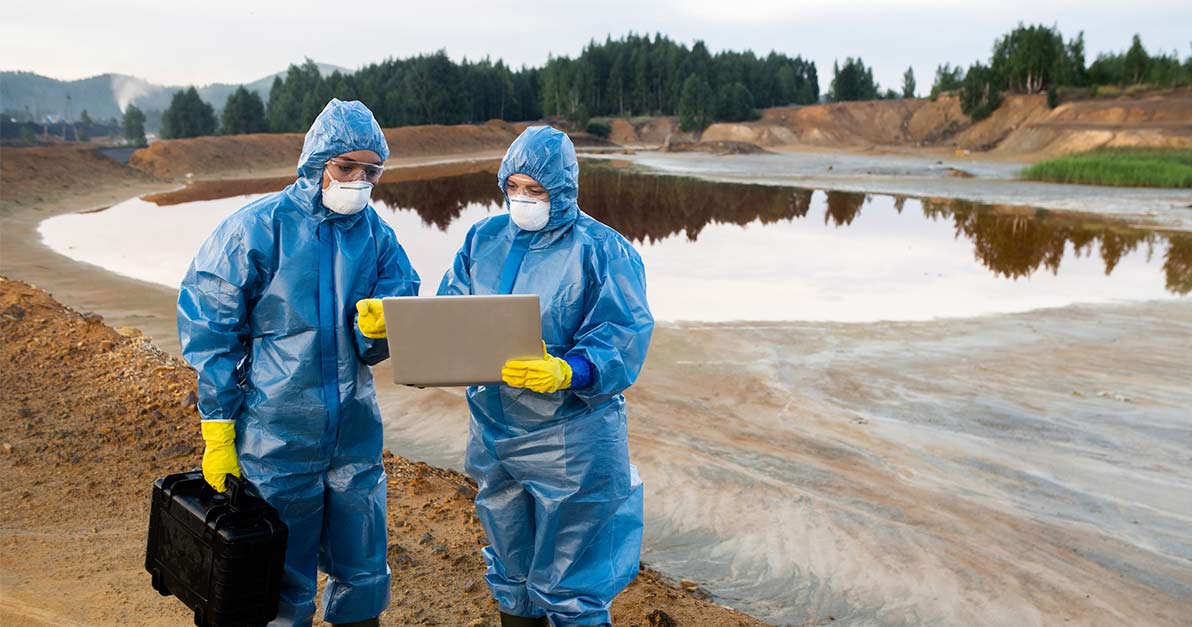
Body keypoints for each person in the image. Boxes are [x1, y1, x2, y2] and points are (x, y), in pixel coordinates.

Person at [177, 99, 419, 627]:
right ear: (317, 163)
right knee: (278, 585)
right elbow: (211, 329)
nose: (359, 180)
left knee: (363, 573)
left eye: (370, 170)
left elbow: (396, 312)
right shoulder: (256, 229)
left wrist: (377, 329)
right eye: (346, 167)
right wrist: (218, 431)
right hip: (276, 438)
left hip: (353, 434)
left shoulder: (376, 235)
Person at [438, 126, 654, 626]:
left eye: (535, 190)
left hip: (571, 440)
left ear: (562, 189)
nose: (522, 200)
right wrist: (403, 326)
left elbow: (623, 333)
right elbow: (452, 311)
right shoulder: (484, 239)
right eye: (512, 188)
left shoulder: (602, 249)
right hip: (494, 429)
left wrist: (569, 370)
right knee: (511, 569)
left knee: (570, 580)